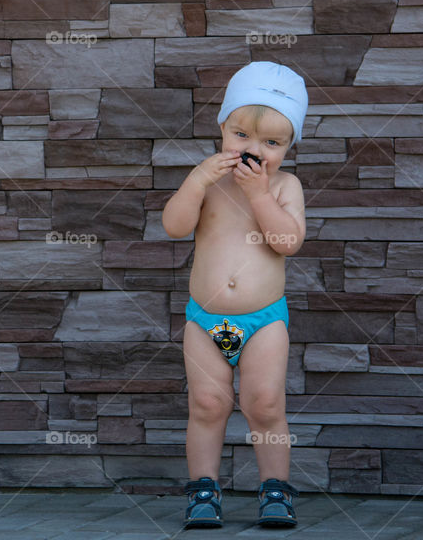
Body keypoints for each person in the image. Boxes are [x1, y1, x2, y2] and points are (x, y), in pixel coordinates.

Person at [162, 61, 308, 529]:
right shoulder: (207, 182)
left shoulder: (284, 186)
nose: (253, 151)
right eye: (241, 135)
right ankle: (203, 490)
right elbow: (174, 226)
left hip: (263, 320)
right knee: (207, 404)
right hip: (205, 320)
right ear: (222, 126)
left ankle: (275, 489)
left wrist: (261, 196)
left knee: (265, 404)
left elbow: (287, 242)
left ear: (289, 146)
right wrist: (196, 182)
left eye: (272, 143)